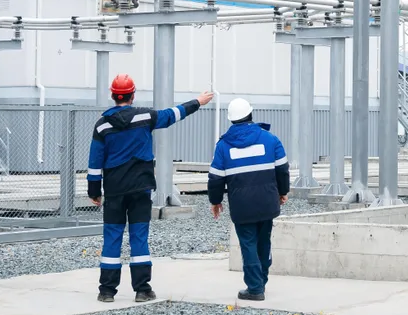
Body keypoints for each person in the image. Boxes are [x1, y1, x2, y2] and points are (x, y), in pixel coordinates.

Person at [88, 73, 213, 303]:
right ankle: (142, 289)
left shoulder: (102, 124)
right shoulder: (145, 116)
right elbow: (173, 114)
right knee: (139, 236)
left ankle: (106, 291)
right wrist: (198, 102)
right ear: (132, 95)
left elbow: (95, 161)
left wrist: (94, 192)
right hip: (140, 188)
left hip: (115, 190)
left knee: (112, 236)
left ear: (113, 95)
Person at [208, 98, 289, 301]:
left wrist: (215, 201)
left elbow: (215, 178)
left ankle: (255, 288)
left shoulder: (223, 146)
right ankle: (261, 280)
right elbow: (282, 170)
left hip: (242, 205)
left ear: (231, 120)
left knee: (248, 244)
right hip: (267, 202)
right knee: (264, 241)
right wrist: (283, 191)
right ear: (251, 114)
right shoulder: (270, 139)